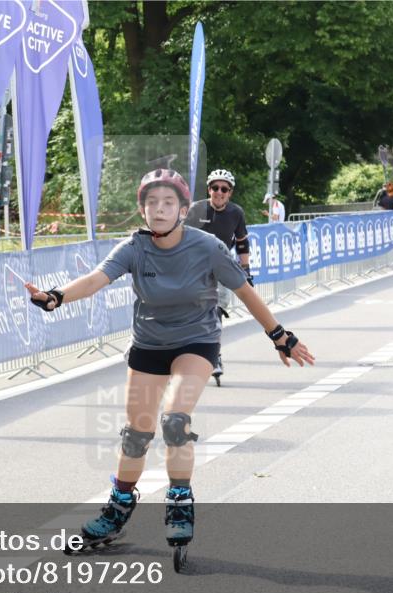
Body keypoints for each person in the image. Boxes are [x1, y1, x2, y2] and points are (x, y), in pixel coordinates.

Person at [25, 169, 315, 567]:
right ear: (142, 210)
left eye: (168, 203)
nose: (159, 210)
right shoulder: (134, 247)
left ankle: (179, 500)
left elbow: (245, 292)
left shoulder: (207, 247)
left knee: (175, 421)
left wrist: (281, 336)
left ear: (182, 210)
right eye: (152, 203)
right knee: (135, 436)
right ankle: (118, 508)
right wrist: (56, 297)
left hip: (196, 341)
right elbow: (95, 280)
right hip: (148, 344)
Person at [183, 169, 250, 384]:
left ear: (230, 193)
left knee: (216, 310)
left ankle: (215, 355)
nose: (219, 192)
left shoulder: (236, 212)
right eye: (215, 188)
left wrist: (246, 270)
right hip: (195, 266)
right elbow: (181, 238)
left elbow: (242, 243)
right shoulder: (196, 209)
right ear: (209, 189)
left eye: (224, 189)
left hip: (221, 265)